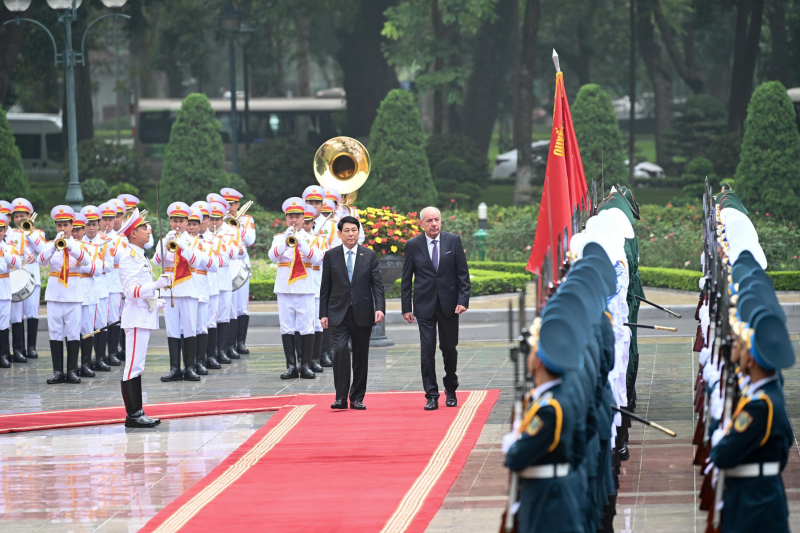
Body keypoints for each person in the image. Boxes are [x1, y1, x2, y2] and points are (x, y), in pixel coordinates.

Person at [709, 308, 795, 533]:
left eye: (741, 345)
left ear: (750, 360)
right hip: (759, 499)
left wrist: (716, 431)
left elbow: (722, 455)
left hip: (754, 506)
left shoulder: (760, 405)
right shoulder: (767, 396)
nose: (736, 347)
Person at [503, 315, 585, 533]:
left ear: (537, 361)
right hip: (555, 493)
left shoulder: (548, 409)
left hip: (548, 500)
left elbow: (516, 457)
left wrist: (512, 442)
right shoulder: (560, 397)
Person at [400, 206, 470, 410]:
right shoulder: (413, 245)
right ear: (421, 223)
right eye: (429, 221)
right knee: (427, 351)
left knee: (449, 349)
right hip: (424, 306)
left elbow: (462, 275)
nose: (434, 224)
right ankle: (431, 394)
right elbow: (406, 280)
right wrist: (406, 307)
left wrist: (463, 300)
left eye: (437, 220)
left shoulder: (453, 241)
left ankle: (451, 388)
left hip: (449, 306)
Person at [319, 216, 385, 410]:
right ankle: (340, 397)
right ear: (340, 234)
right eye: (346, 230)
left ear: (359, 233)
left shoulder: (369, 255)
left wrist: (379, 308)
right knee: (339, 351)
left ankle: (357, 397)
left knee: (360, 355)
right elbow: (325, 287)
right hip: (338, 312)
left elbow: (377, 285)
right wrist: (323, 314)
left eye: (354, 230)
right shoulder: (331, 255)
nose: (350, 234)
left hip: (362, 312)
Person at [118, 208, 171, 428]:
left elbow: (141, 292)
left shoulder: (140, 255)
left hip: (143, 315)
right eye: (143, 228)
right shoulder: (128, 257)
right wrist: (156, 285)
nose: (148, 231)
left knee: (137, 365)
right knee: (132, 366)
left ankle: (137, 412)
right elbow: (130, 291)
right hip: (136, 319)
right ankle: (133, 414)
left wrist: (154, 300)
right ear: (132, 234)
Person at [153, 202, 207, 382]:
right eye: (174, 221)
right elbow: (157, 261)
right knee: (173, 329)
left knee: (190, 328)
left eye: (181, 221)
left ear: (186, 222)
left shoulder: (194, 241)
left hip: (188, 288)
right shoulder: (165, 240)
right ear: (170, 222)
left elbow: (196, 261)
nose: (177, 224)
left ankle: (190, 367)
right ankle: (174, 368)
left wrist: (183, 246)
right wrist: (166, 243)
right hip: (170, 289)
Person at [38, 206, 92, 384]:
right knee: (55, 332)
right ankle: (57, 372)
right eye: (59, 225)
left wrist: (70, 246)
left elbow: (86, 262)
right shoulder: (49, 245)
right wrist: (54, 248)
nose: (62, 229)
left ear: (71, 226)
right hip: (55, 294)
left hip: (73, 294)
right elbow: (41, 261)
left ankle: (72, 371)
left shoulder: (79, 245)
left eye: (65, 225)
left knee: (73, 332)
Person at [269, 197, 321, 379]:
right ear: (286, 219)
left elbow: (318, 259)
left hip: (305, 288)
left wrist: (301, 241)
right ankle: (291, 366)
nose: (294, 220)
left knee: (307, 328)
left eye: (297, 216)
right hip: (284, 288)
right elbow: (272, 256)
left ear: (303, 217)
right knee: (287, 328)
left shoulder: (312, 239)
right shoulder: (278, 238)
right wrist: (286, 240)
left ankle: (305, 365)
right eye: (290, 216)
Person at [9, 198, 45, 361]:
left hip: (32, 278)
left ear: (29, 216)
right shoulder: (10, 235)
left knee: (32, 313)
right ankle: (18, 349)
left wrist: (28, 232)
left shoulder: (38, 233)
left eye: (23, 216)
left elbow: (43, 249)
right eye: (16, 216)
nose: (19, 219)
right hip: (15, 279)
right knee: (16, 315)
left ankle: (31, 347)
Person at [221, 188, 256, 355]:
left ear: (238, 204)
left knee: (241, 305)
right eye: (226, 204)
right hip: (225, 264)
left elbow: (250, 239)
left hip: (241, 264)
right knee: (228, 306)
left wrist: (237, 225)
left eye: (231, 204)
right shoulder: (219, 219)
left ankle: (240, 342)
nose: (228, 207)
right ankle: (228, 345)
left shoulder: (247, 220)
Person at [72, 213, 104, 378]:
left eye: (78, 230)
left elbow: (97, 269)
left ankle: (85, 364)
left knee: (87, 330)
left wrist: (81, 265)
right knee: (72, 331)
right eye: (73, 230)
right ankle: (72, 366)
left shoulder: (91, 248)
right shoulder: (65, 247)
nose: (75, 233)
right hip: (71, 294)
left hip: (88, 294)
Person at [82, 205, 114, 372]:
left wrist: (92, 266)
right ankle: (85, 360)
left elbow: (109, 265)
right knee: (84, 325)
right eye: (88, 224)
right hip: (84, 288)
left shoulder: (105, 241)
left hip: (100, 287)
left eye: (94, 223)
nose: (92, 227)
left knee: (101, 323)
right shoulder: (79, 241)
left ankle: (100, 357)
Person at [207, 195, 236, 364]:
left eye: (217, 219)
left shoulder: (230, 231)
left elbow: (232, 253)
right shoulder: (202, 235)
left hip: (224, 279)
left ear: (223, 218)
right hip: (209, 281)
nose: (214, 223)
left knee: (224, 316)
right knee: (210, 318)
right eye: (211, 219)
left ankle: (222, 350)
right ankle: (210, 353)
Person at [102, 201, 124, 367]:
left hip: (115, 282)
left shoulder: (119, 238)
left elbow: (120, 257)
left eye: (111, 218)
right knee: (101, 320)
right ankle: (100, 355)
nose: (108, 222)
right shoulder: (94, 240)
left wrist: (108, 244)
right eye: (105, 219)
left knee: (114, 318)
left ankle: (113, 352)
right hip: (100, 282)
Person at [0, 214, 17, 368]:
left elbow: (17, 263)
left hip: (3, 289)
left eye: (1, 229)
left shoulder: (9, 247)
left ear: (5, 230)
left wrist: (3, 252)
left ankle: (3, 355)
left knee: (4, 323)